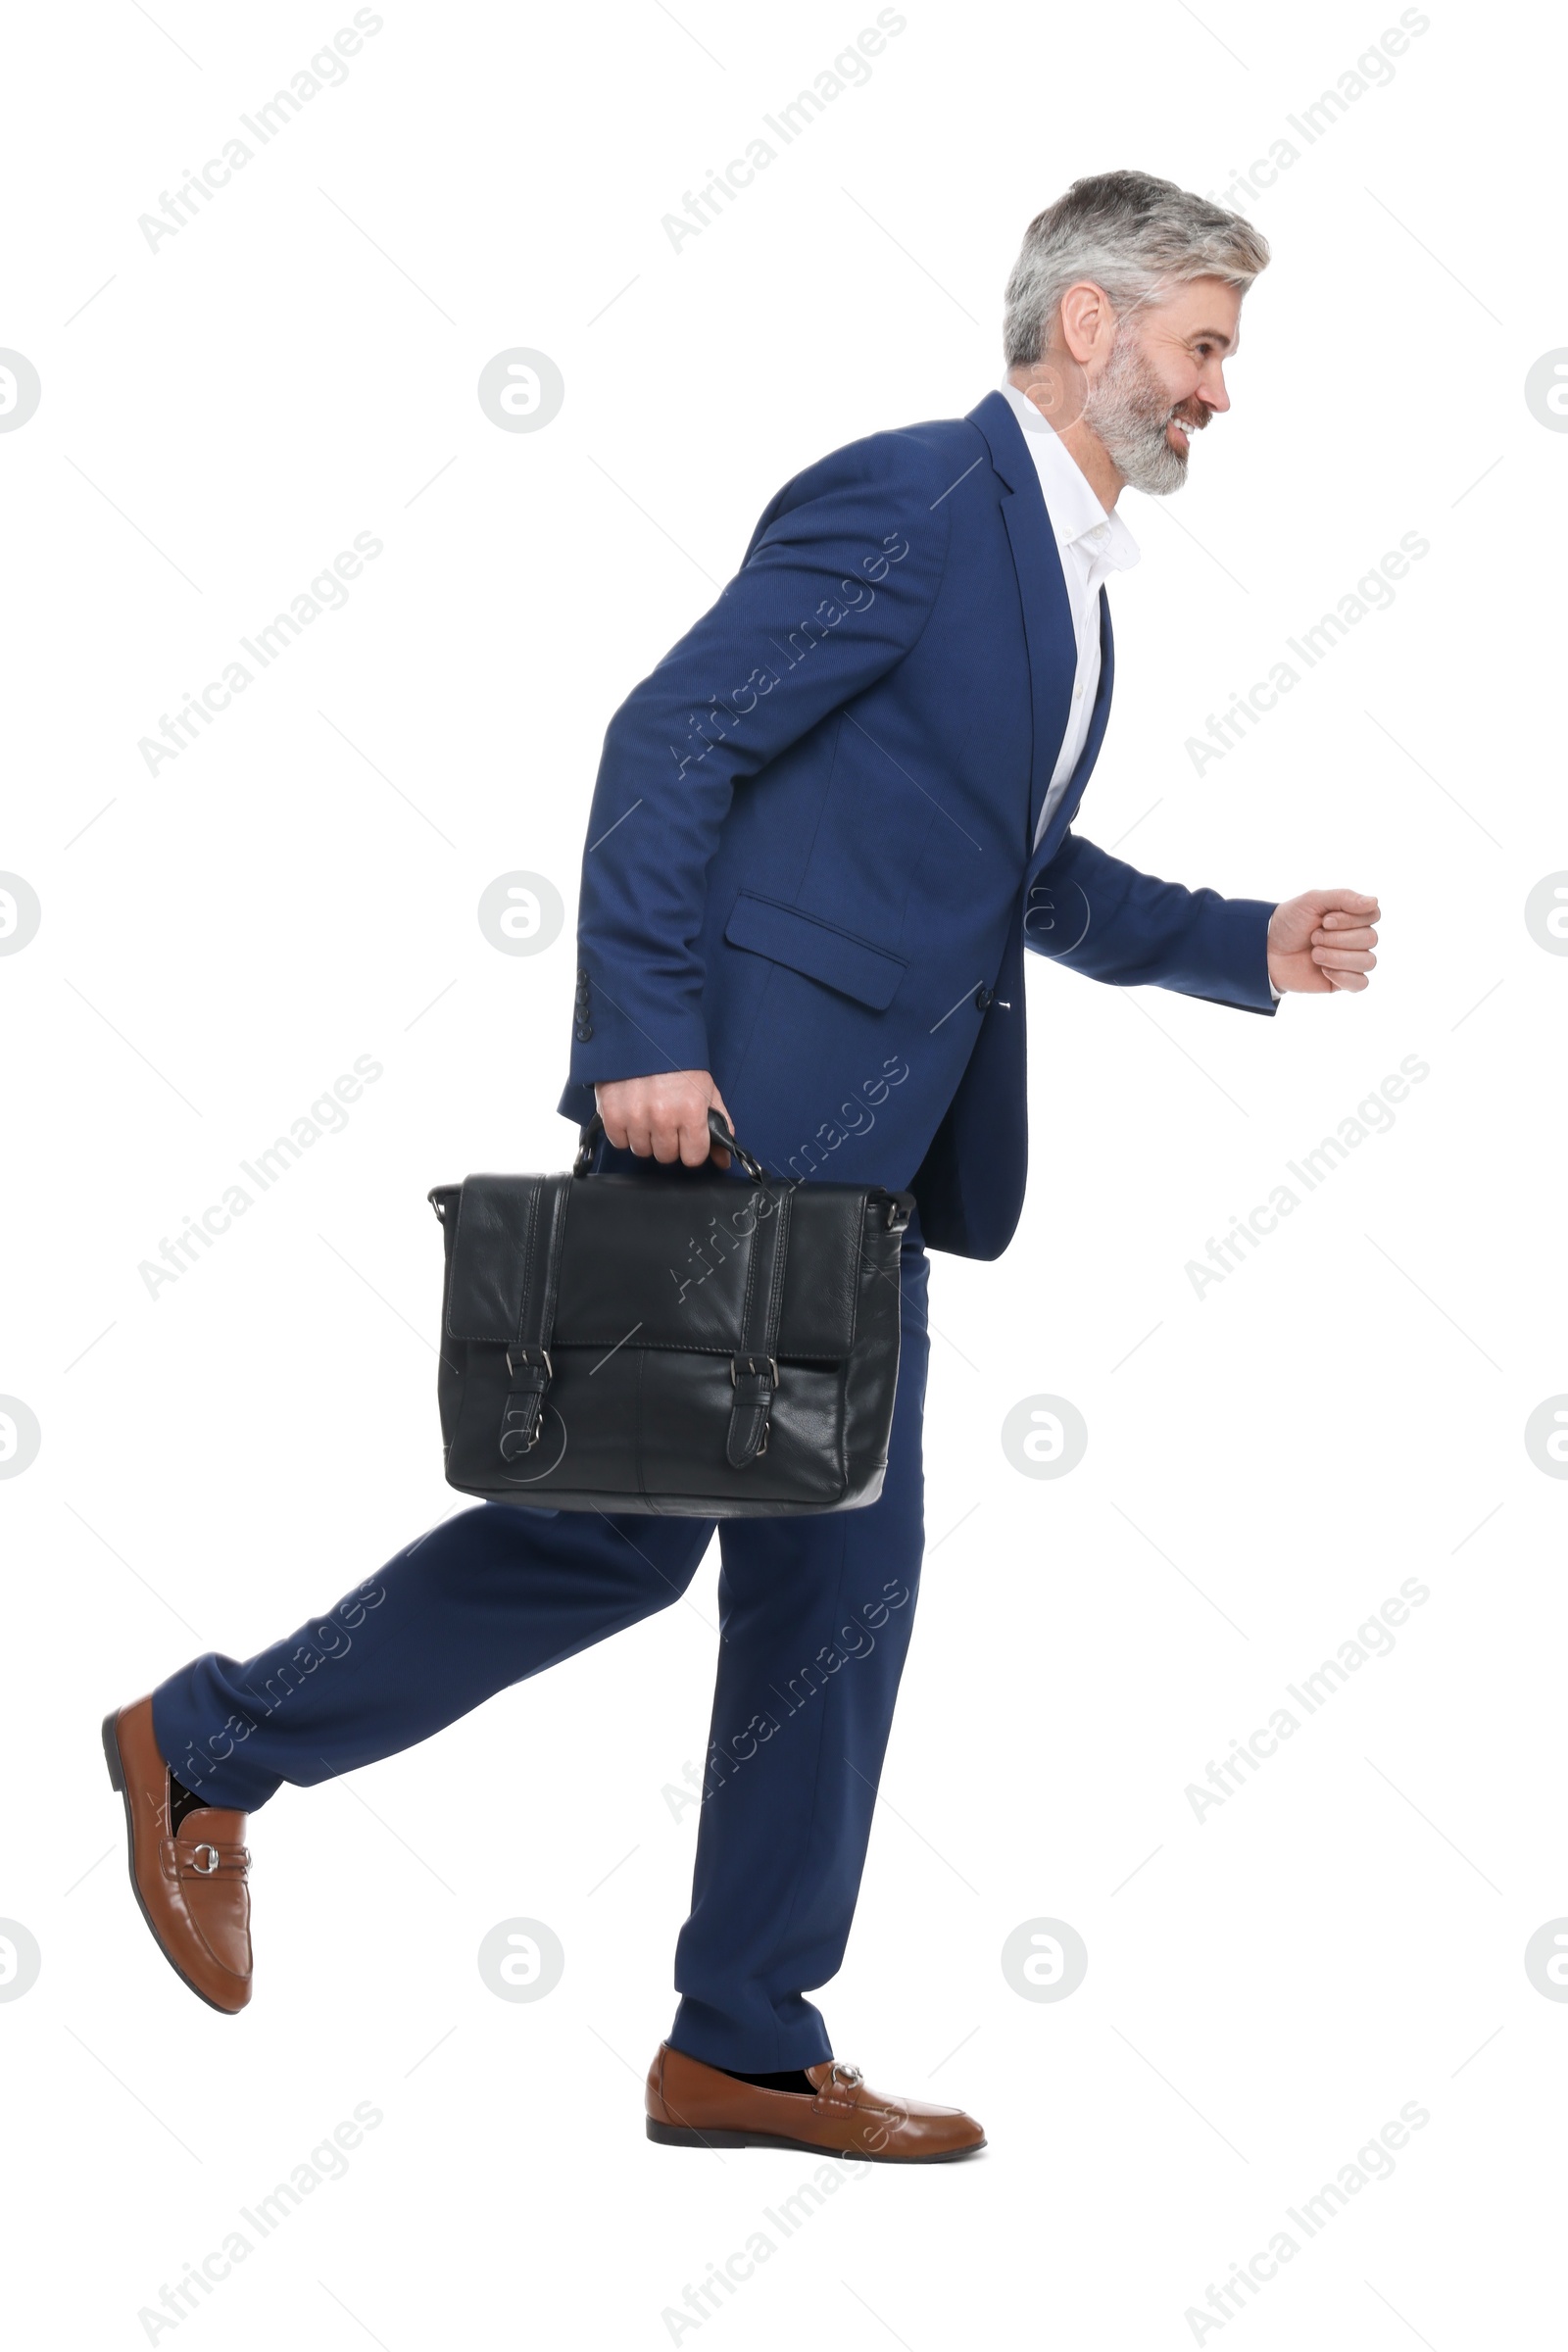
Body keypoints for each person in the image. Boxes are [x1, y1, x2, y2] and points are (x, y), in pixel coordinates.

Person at [104, 171, 1380, 2165]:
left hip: (863, 1180)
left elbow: (1004, 874)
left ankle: (743, 2042)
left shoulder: (1065, 575)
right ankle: (204, 1744)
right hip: (730, 1133)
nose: (1219, 390)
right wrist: (639, 1039)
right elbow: (670, 736)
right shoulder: (915, 500)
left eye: (1223, 354)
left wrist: (1238, 940)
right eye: (1202, 344)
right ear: (1084, 330)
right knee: (612, 1538)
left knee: (837, 1606)